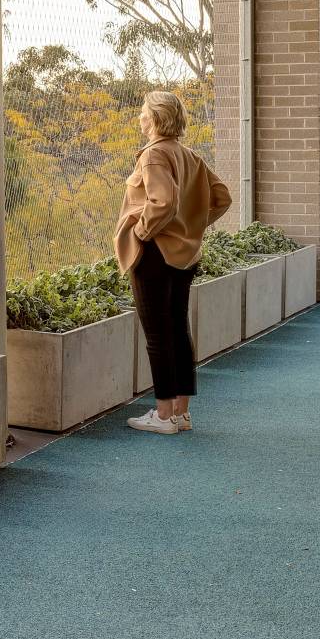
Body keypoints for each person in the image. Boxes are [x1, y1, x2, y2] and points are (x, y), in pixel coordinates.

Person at [113, 89, 231, 435]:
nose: (140, 117)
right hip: (184, 254)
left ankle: (162, 415)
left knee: (157, 333)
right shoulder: (190, 155)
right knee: (178, 328)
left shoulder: (154, 156)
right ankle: (181, 412)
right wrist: (191, 226)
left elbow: (161, 202)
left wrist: (144, 232)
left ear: (157, 118)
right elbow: (222, 197)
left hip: (155, 255)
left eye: (144, 112)